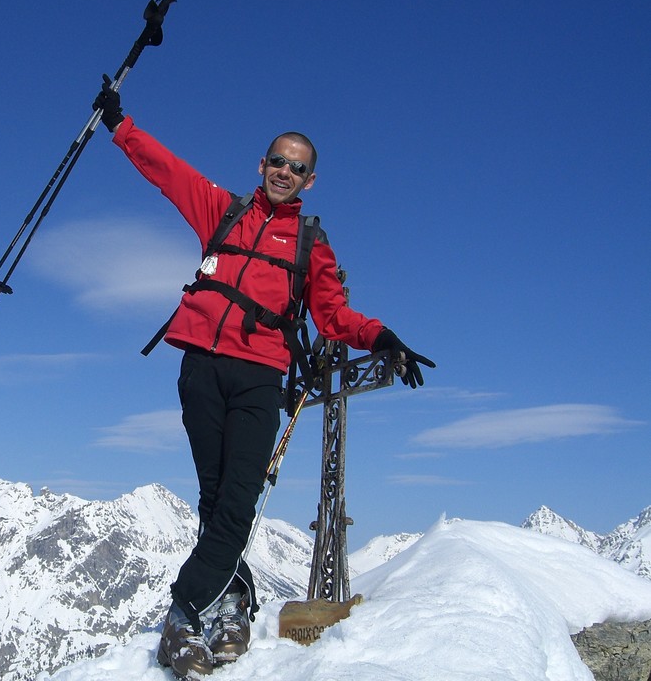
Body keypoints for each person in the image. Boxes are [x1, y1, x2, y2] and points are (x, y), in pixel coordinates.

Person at [92, 76, 434, 680]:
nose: (284, 171)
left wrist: (379, 335)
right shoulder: (224, 211)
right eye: (277, 161)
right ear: (262, 164)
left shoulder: (310, 246)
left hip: (258, 377)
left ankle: (184, 609)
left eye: (296, 167)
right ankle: (233, 602)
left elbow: (332, 314)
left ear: (309, 181)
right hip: (198, 367)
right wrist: (120, 125)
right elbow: (167, 171)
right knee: (215, 495)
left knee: (239, 502)